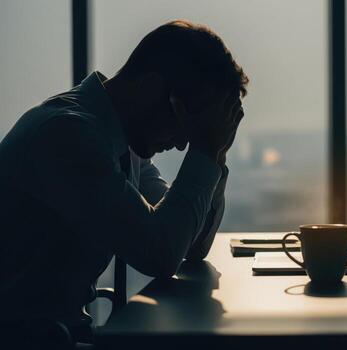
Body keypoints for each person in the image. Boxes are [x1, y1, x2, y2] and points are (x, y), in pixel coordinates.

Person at [0, 19, 248, 343]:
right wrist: (205, 149)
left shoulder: (117, 141)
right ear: (149, 88)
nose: (181, 143)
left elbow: (190, 244)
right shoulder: (68, 136)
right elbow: (161, 253)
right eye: (182, 121)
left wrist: (215, 154)